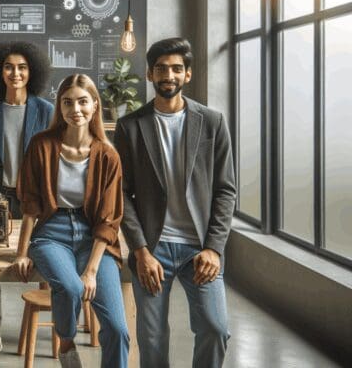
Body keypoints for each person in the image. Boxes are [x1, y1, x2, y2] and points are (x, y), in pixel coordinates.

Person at [114, 37, 236, 368]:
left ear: (188, 74)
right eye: (162, 69)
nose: (169, 74)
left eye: (176, 68)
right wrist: (140, 251)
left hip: (200, 249)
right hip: (153, 248)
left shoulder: (212, 122)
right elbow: (121, 193)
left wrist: (214, 248)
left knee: (216, 328)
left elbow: (225, 190)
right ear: (150, 74)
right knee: (152, 340)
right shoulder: (129, 127)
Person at [13, 74, 130, 368]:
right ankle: (66, 344)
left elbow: (109, 219)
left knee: (117, 328)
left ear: (94, 106)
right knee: (70, 288)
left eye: (82, 101)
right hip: (52, 232)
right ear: (60, 107)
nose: (75, 109)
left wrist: (91, 270)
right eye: (67, 102)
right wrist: (22, 252)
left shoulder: (108, 155)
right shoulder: (41, 145)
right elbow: (30, 205)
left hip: (95, 238)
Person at [0, 41, 53, 366]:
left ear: (31, 71)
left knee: (46, 258)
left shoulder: (46, 110)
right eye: (8, 67)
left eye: (21, 67)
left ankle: (55, 322)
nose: (15, 73)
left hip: (35, 199)